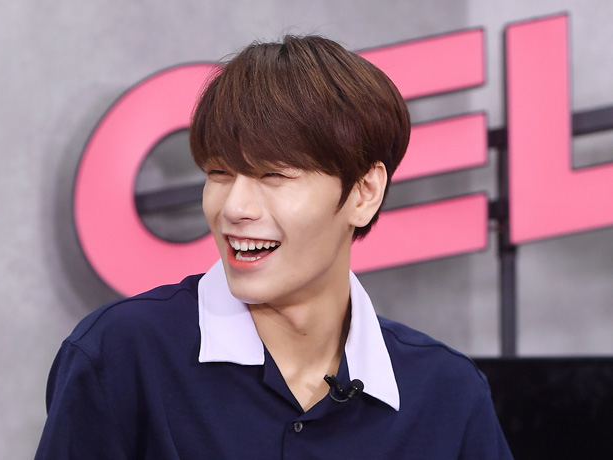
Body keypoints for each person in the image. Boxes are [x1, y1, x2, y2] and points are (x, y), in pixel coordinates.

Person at [34, 35, 513, 459]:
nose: (234, 207)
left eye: (274, 175)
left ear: (364, 193)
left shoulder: (446, 394)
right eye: (219, 173)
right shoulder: (120, 354)